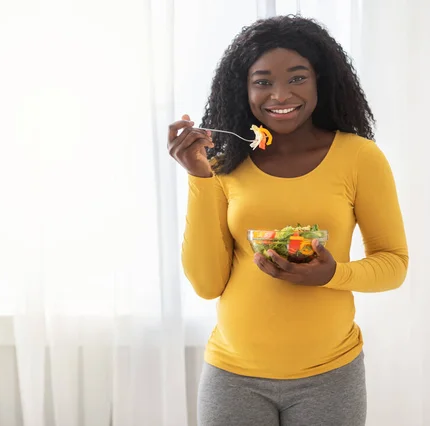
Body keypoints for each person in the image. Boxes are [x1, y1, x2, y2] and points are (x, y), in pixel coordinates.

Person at [167, 15, 408, 426]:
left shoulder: (360, 158)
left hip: (330, 377)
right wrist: (199, 177)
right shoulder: (225, 164)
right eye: (263, 81)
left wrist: (332, 274)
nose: (280, 94)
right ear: (243, 89)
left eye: (297, 78)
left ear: (320, 81)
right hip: (232, 376)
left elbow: (394, 265)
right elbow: (206, 285)